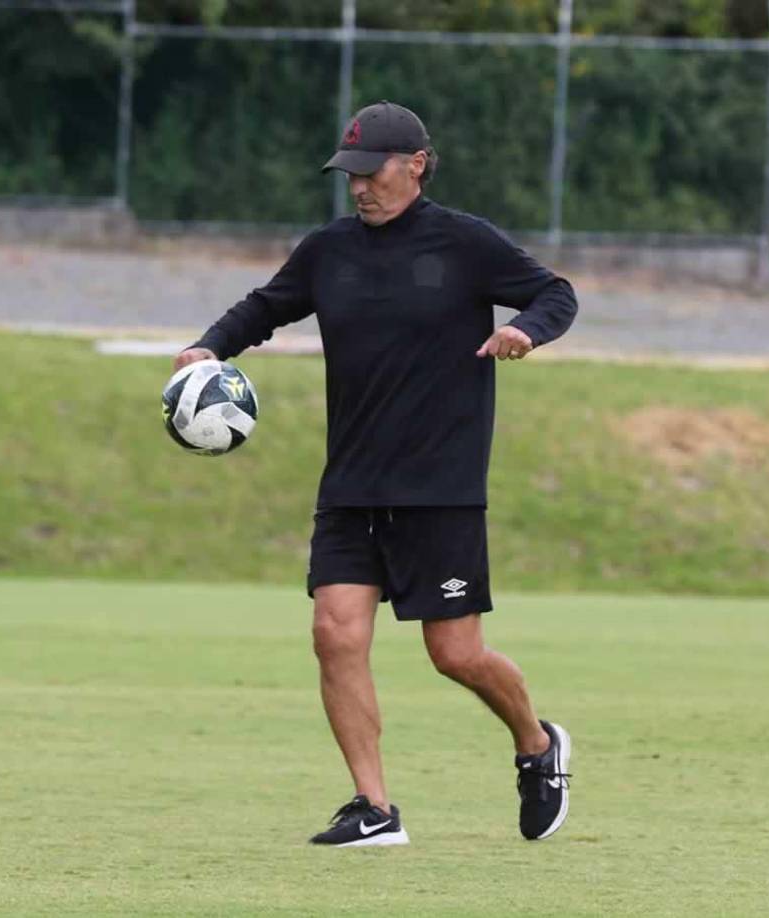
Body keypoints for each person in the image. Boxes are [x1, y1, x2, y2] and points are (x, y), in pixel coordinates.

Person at [175, 101, 579, 847]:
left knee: (454, 655)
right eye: (349, 174)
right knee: (335, 633)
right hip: (352, 485)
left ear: (416, 165)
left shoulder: (465, 244)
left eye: (372, 171)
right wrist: (211, 347)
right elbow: (268, 306)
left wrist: (525, 329)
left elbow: (557, 291)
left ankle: (536, 743)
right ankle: (374, 807)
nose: (358, 187)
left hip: (441, 487)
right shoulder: (330, 251)